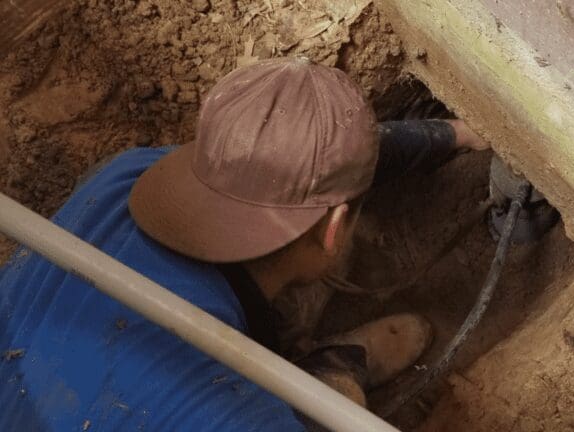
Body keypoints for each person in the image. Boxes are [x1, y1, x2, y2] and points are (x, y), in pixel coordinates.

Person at [0, 57, 489, 430]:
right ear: (334, 228)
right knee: (336, 409)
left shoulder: (127, 174)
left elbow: (275, 171)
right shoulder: (234, 416)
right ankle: (329, 376)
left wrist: (455, 135)